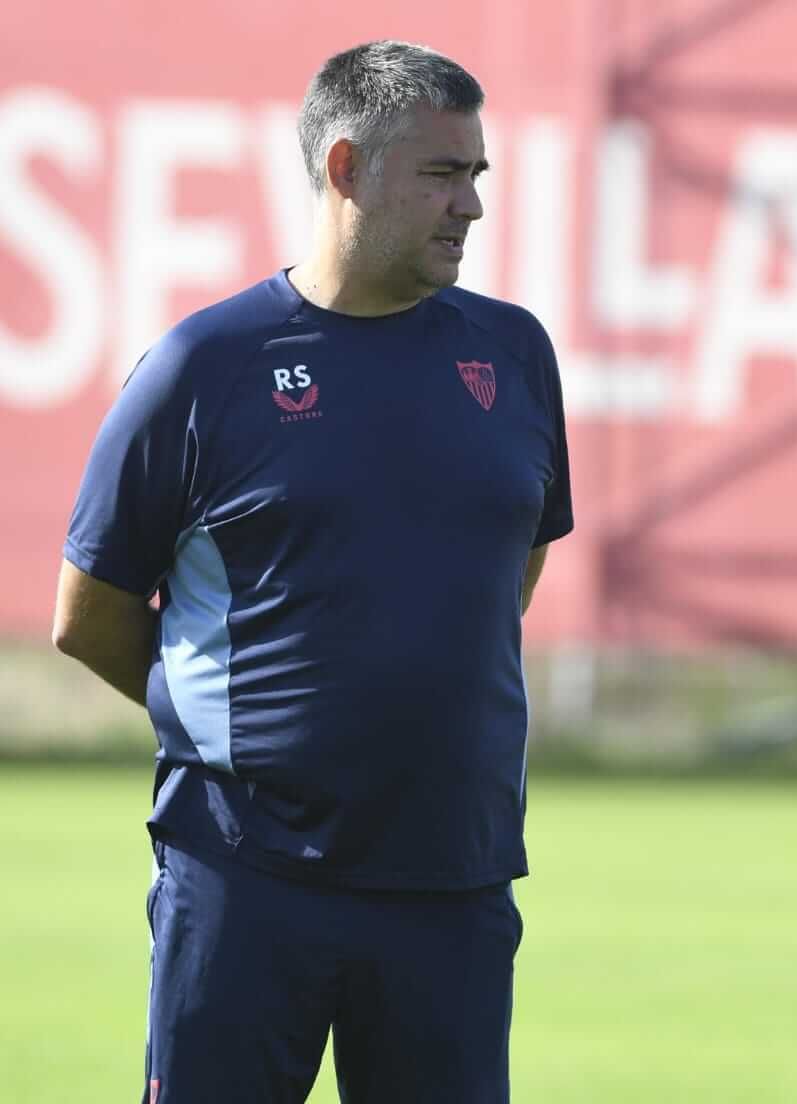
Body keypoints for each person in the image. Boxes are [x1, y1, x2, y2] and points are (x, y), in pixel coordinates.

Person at [51, 41, 572, 1104]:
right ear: (345, 168)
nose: (469, 204)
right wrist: (246, 735)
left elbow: (506, 570)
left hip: (454, 878)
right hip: (246, 879)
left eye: (477, 175)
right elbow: (90, 611)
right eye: (439, 173)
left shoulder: (514, 354)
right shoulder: (206, 367)